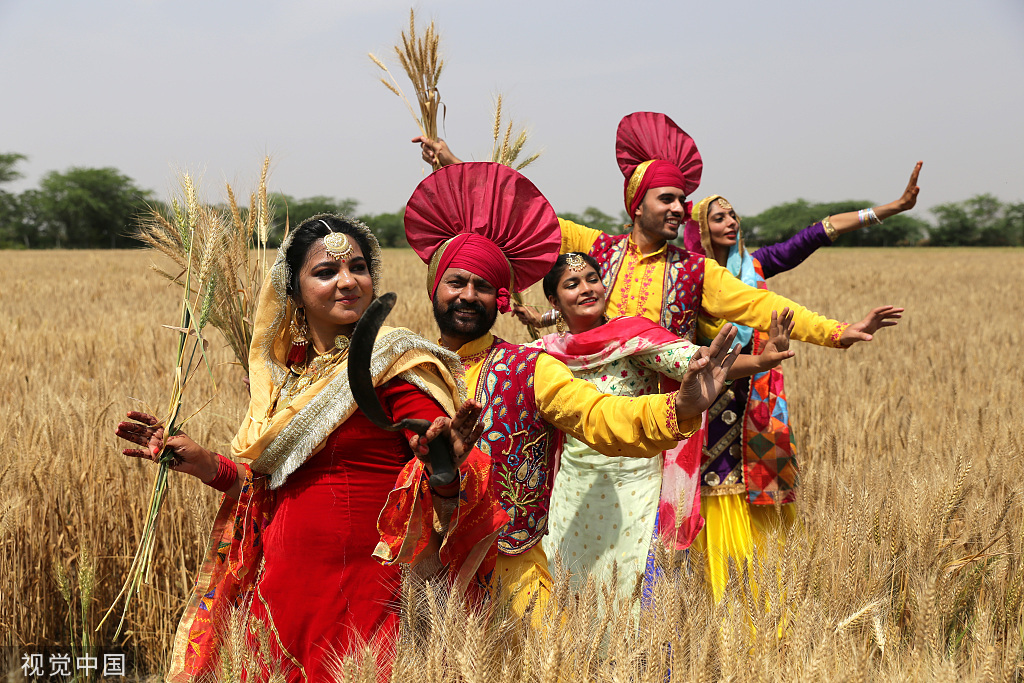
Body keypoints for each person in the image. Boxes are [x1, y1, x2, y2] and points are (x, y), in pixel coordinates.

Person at [115, 214, 506, 682]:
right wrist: (202, 462)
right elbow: (268, 489)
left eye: (358, 268)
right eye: (325, 272)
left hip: (366, 591)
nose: (348, 282)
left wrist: (444, 464)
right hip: (281, 589)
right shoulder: (288, 381)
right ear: (294, 291)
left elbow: (440, 480)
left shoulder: (395, 365)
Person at [394, 161, 742, 621]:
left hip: (512, 572)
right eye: (457, 282)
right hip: (422, 572)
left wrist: (677, 407)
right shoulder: (405, 368)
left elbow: (601, 415)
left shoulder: (528, 367)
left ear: (500, 297)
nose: (468, 295)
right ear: (434, 289)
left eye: (483, 286)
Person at [682, 180, 916, 599]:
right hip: (707, 406)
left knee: (756, 501)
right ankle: (705, 599)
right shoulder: (688, 281)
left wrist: (890, 208)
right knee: (710, 494)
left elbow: (816, 233)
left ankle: (761, 599)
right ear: (700, 228)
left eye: (733, 214)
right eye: (719, 217)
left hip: (756, 403)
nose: (731, 222)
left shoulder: (753, 267)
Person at [528, 251, 796, 612]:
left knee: (636, 593)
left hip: (637, 488)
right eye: (572, 284)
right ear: (554, 301)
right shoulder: (541, 355)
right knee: (572, 595)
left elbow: (700, 362)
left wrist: (761, 361)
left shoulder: (632, 336)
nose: (586, 288)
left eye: (592, 278)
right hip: (572, 492)